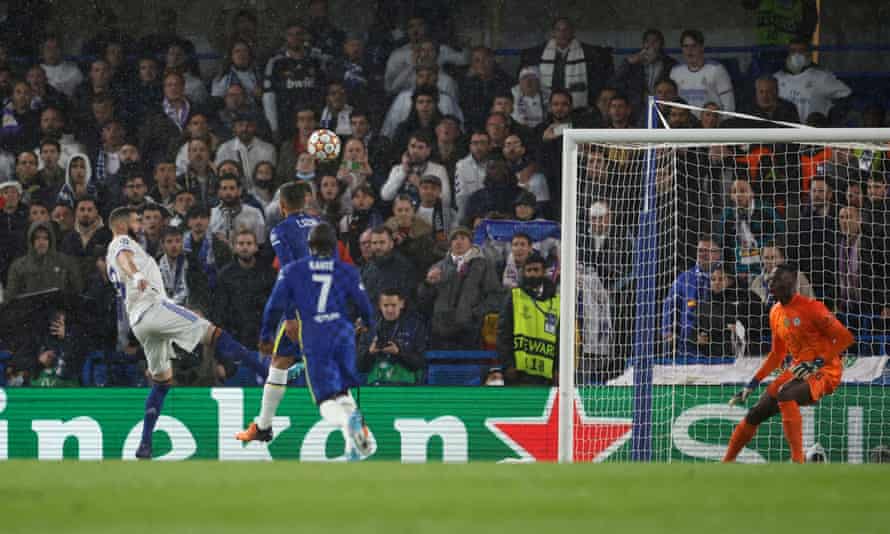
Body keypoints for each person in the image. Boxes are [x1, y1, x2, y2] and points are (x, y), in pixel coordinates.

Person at [105, 206, 258, 459]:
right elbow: (125, 257)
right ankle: (269, 372)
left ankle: (145, 444)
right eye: (135, 221)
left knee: (162, 383)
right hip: (154, 307)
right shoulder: (121, 242)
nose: (140, 226)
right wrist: (138, 275)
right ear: (122, 225)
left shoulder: (115, 251)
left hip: (140, 323)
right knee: (214, 333)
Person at [236, 223, 375, 461]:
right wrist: (367, 324)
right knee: (341, 392)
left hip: (315, 335)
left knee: (325, 401)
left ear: (309, 246)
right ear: (334, 247)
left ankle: (346, 423)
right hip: (342, 335)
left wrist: (266, 335)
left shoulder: (294, 271)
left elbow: (273, 307)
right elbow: (365, 306)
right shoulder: (347, 271)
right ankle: (358, 444)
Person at [723, 263, 854, 463]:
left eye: (776, 278)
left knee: (785, 394)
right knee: (756, 413)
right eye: (769, 279)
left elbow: (845, 338)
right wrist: (752, 384)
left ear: (792, 279)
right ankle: (726, 462)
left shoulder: (813, 308)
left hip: (826, 369)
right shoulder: (775, 312)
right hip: (798, 370)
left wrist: (817, 363)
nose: (770, 282)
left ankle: (797, 460)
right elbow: (777, 354)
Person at [519, 17, 613, 110]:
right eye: (558, 30)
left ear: (572, 32)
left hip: (577, 108)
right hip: (549, 109)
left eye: (566, 30)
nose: (562, 34)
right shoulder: (535, 55)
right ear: (553, 33)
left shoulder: (589, 54)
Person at [495, 251, 559, 385]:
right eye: (528, 270)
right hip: (518, 373)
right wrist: (508, 364)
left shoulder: (556, 300)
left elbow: (561, 338)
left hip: (547, 374)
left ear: (543, 272)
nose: (532, 274)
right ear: (523, 272)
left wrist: (558, 368)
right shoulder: (514, 296)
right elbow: (503, 333)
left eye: (536, 270)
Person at [263, 20, 324, 141]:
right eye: (291, 34)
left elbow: (323, 92)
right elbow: (269, 96)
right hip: (287, 123)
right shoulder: (276, 63)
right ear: (285, 37)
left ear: (305, 36)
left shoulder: (316, 61)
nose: (295, 38)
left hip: (313, 123)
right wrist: (273, 127)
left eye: (298, 34)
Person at [357, 288, 428, 385]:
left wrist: (399, 352)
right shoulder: (369, 328)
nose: (390, 310)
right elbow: (360, 366)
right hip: (376, 387)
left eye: (394, 305)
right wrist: (370, 352)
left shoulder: (416, 326)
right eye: (386, 305)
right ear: (380, 305)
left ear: (402, 304)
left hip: (406, 388)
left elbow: (420, 363)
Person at [774, 37, 850, 122]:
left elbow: (846, 94)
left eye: (801, 51)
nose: (796, 55)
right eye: (793, 51)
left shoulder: (822, 77)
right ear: (788, 53)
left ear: (808, 53)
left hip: (814, 132)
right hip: (786, 132)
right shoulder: (777, 78)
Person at [670, 29, 735, 114]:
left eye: (694, 46)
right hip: (684, 125)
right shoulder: (675, 72)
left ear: (702, 47)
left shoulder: (717, 69)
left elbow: (729, 106)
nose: (689, 50)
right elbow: (670, 103)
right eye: (686, 46)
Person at [269, 181, 320, 267]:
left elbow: (287, 266)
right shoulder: (322, 224)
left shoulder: (279, 231)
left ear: (281, 205)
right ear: (304, 202)